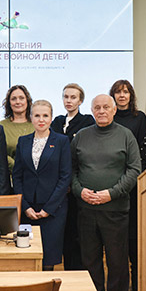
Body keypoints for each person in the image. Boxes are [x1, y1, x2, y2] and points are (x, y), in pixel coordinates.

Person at [71, 94, 141, 291]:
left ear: (114, 110)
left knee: (117, 262)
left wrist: (112, 193)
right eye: (97, 107)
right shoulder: (81, 136)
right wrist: (80, 191)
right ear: (92, 110)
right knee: (90, 262)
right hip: (86, 210)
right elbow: (71, 171)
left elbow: (134, 169)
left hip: (115, 210)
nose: (101, 111)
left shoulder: (125, 135)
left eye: (105, 107)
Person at [13, 100, 71, 271]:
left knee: (48, 259)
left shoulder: (61, 141)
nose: (41, 119)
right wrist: (25, 207)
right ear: (31, 118)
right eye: (37, 115)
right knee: (27, 254)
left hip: (53, 209)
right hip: (28, 209)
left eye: (45, 115)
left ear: (51, 118)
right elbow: (17, 176)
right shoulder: (23, 141)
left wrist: (48, 209)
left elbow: (65, 177)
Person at [52, 83, 95, 271]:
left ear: (80, 100)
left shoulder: (87, 121)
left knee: (76, 234)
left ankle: (76, 273)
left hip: (77, 184)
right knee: (61, 233)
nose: (69, 100)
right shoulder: (56, 121)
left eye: (73, 97)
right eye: (66, 97)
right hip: (57, 185)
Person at [109, 79, 146, 291]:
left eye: (125, 92)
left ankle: (136, 280)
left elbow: (139, 149)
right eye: (118, 92)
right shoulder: (109, 117)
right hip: (110, 180)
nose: (122, 96)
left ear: (131, 95)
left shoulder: (139, 117)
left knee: (133, 234)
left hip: (131, 181)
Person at [0, 85, 35, 172]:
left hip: (34, 176)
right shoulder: (1, 126)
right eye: (14, 99)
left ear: (27, 101)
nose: (18, 102)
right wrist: (16, 167)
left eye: (21, 98)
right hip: (9, 176)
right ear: (9, 103)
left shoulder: (36, 125)